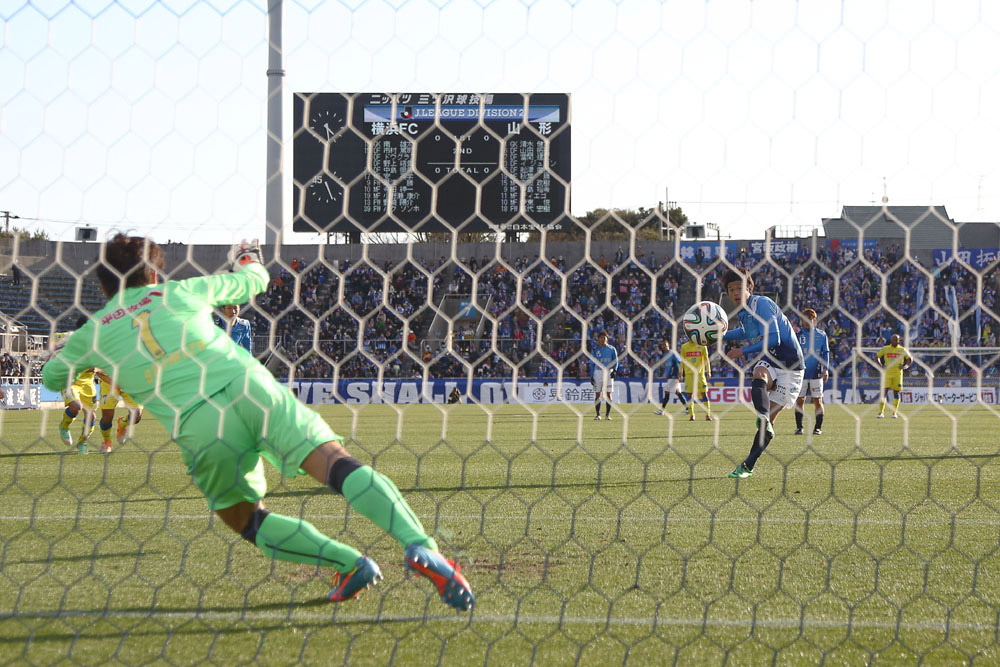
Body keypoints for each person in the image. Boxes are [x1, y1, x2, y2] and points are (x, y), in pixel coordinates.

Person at [42, 234, 473, 610]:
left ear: (103, 286)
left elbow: (51, 376)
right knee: (336, 464)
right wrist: (247, 255)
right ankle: (420, 545)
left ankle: (349, 563)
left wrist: (75, 353)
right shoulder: (184, 290)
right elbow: (254, 281)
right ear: (154, 275)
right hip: (249, 386)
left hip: (198, 424)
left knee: (247, 520)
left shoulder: (93, 332)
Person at [722, 268, 805, 479]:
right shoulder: (744, 313)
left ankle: (748, 465)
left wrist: (741, 351)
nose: (736, 293)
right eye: (731, 290)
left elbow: (774, 339)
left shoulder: (763, 304)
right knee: (758, 374)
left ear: (749, 287)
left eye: (740, 288)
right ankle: (763, 416)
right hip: (771, 359)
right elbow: (744, 332)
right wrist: (717, 334)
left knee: (768, 427)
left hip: (792, 366)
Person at [54, 317, 99, 454]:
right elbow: (53, 341)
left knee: (91, 417)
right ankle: (64, 426)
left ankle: (83, 442)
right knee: (76, 406)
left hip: (88, 384)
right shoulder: (67, 338)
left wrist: (96, 369)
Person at [794, 308, 830, 435]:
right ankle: (799, 427)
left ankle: (818, 427)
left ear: (814, 320)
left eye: (809, 319)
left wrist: (826, 369)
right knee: (800, 400)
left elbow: (826, 352)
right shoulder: (797, 336)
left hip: (816, 372)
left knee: (817, 400)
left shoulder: (821, 335)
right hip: (801, 372)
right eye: (804, 320)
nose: (806, 322)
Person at [96, 371, 144, 452]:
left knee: (136, 416)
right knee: (107, 418)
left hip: (131, 383)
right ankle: (107, 441)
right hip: (109, 384)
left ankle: (122, 423)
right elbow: (98, 372)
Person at [877, 334, 912, 418]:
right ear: (891, 340)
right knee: (884, 392)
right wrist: (881, 365)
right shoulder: (885, 349)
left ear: (899, 341)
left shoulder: (902, 350)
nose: (895, 341)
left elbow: (910, 359)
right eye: (893, 339)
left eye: (896, 340)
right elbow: (877, 357)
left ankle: (894, 413)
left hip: (897, 374)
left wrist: (905, 367)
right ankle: (881, 413)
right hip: (887, 373)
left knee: (896, 392)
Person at [680, 337, 713, 421]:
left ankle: (708, 415)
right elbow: (682, 361)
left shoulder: (702, 346)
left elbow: (706, 359)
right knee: (689, 395)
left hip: (700, 374)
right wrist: (680, 374)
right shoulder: (684, 347)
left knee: (704, 394)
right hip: (689, 374)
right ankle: (692, 415)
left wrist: (708, 371)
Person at [653, 339, 688, 415]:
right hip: (670, 376)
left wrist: (680, 374)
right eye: (662, 345)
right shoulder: (665, 355)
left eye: (665, 345)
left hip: (674, 376)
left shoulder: (672, 353)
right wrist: (666, 374)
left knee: (667, 391)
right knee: (678, 393)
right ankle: (688, 409)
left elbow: (680, 362)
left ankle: (662, 410)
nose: (664, 347)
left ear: (668, 345)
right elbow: (668, 366)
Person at [590, 331, 619, 421]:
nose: (602, 339)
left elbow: (616, 361)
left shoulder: (611, 349)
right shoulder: (595, 349)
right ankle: (598, 414)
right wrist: (591, 375)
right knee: (598, 394)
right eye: (600, 338)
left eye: (604, 338)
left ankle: (607, 414)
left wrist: (614, 370)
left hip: (608, 371)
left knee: (608, 394)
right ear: (598, 339)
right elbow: (591, 364)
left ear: (607, 339)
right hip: (598, 372)